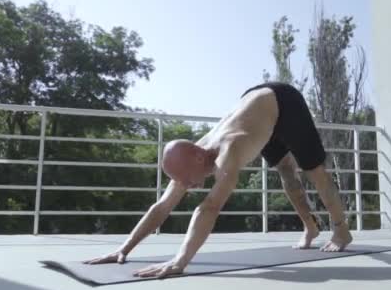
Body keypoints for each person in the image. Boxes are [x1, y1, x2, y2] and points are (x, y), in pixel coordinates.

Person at [84, 82, 353, 278]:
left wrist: (180, 261)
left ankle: (341, 230)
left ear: (199, 159)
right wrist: (123, 249)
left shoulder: (229, 153)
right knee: (284, 169)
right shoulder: (190, 158)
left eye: (188, 180)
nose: (189, 186)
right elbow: (162, 207)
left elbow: (209, 208)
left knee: (314, 171)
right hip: (258, 110)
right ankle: (311, 228)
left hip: (283, 102)